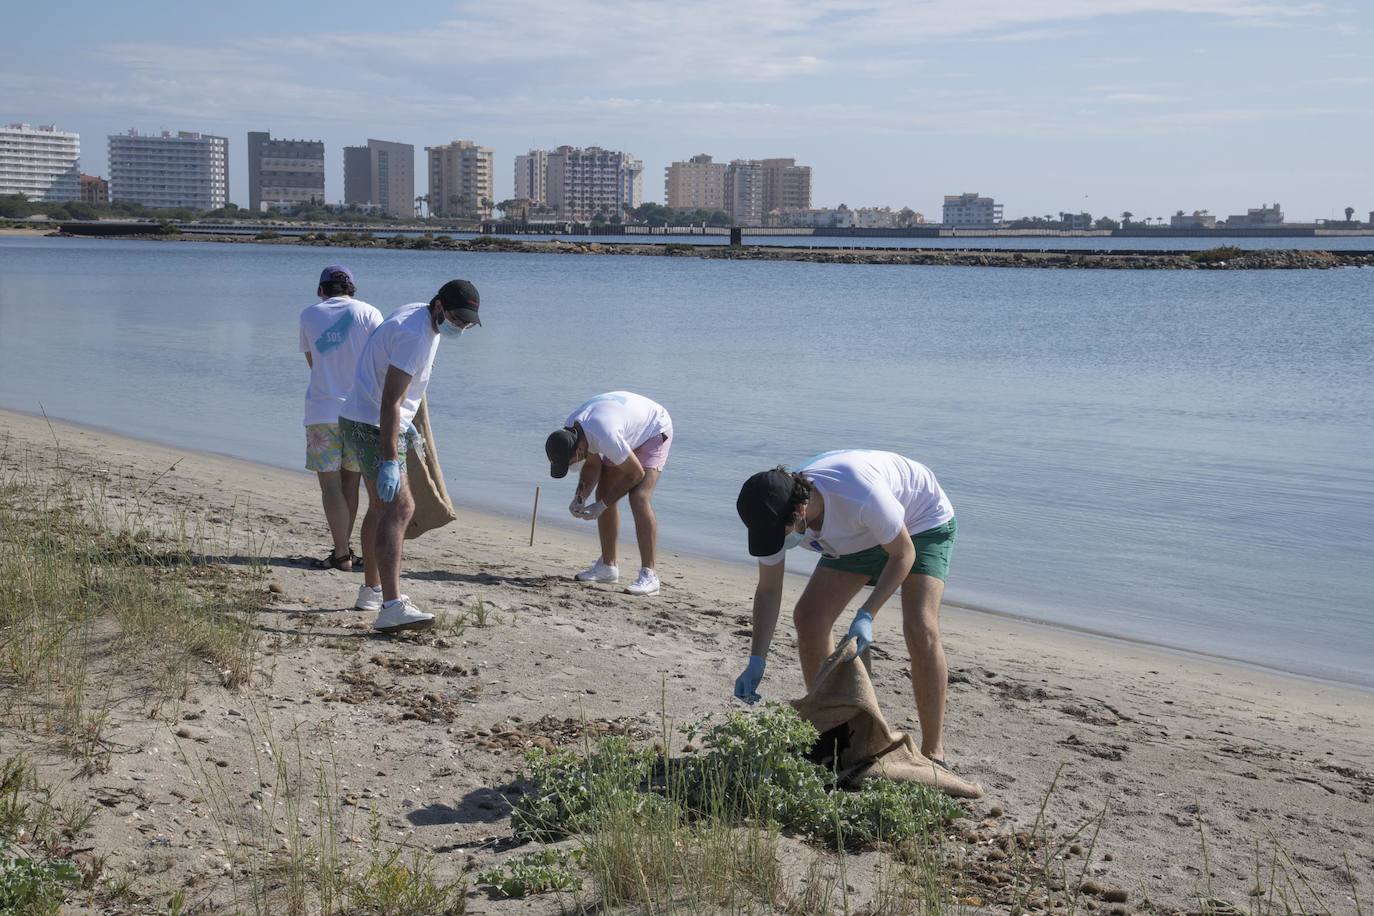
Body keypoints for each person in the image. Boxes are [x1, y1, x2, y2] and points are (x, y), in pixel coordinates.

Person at [733, 450, 958, 766]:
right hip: (856, 536)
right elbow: (769, 589)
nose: (774, 541)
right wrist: (757, 659)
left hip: (920, 522)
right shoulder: (772, 515)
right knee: (810, 618)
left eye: (778, 533)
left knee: (920, 625)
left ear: (800, 510)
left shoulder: (858, 493)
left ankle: (934, 753)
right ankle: (832, 731)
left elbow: (903, 554)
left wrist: (867, 613)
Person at [338, 279, 482, 632]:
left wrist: (409, 426)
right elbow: (391, 400)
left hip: (361, 417)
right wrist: (390, 458)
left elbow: (398, 386)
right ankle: (392, 606)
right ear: (439, 306)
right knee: (400, 508)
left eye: (466, 323)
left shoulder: (419, 316)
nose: (460, 327)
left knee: (379, 507)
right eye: (456, 319)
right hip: (374, 424)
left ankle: (372, 590)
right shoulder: (416, 336)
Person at [544, 391, 672, 596]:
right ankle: (607, 567)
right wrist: (580, 497)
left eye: (569, 463)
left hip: (655, 428)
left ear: (578, 452)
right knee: (604, 489)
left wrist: (601, 506)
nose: (571, 466)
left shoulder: (605, 436)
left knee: (639, 496)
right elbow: (592, 465)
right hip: (625, 427)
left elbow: (635, 474)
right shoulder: (572, 430)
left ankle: (650, 576)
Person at [299, 265, 383, 572]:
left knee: (330, 486)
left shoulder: (309, 315)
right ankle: (345, 551)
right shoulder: (370, 313)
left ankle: (341, 552)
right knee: (352, 482)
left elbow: (313, 362)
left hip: (321, 411)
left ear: (321, 290)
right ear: (352, 289)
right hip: (361, 412)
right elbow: (381, 359)